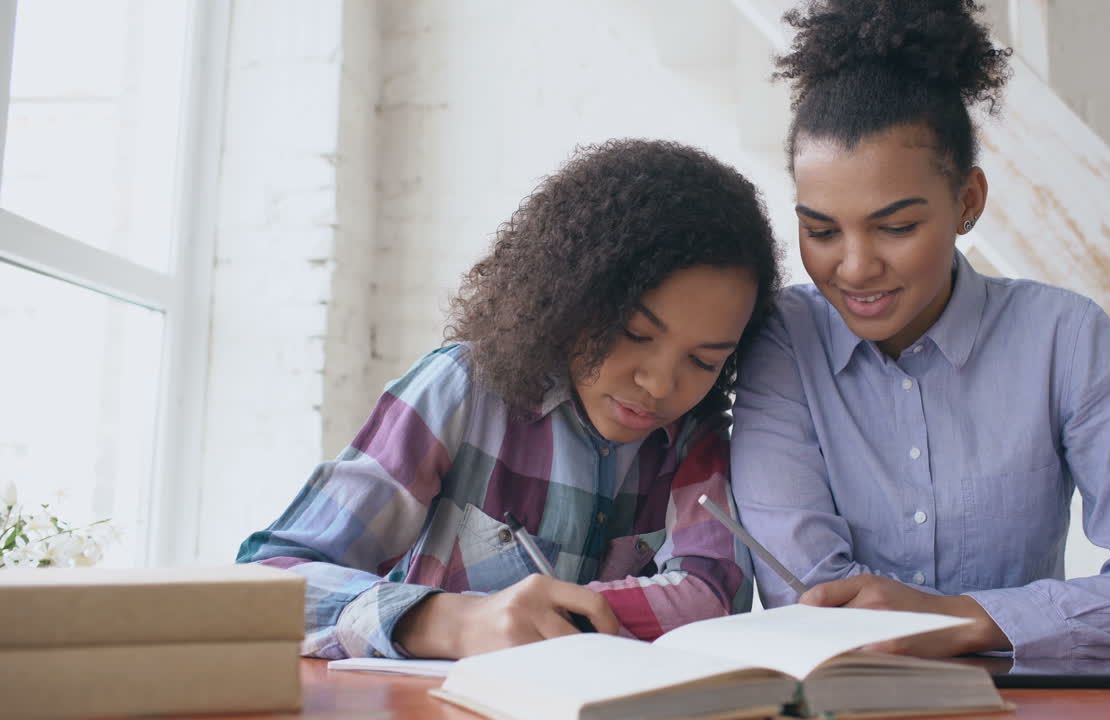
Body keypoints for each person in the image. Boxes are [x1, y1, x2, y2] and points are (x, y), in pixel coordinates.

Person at [730, 0, 1110, 659]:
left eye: (897, 227)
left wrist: (961, 618)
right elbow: (813, 600)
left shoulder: (1064, 338)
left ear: (967, 203)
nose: (853, 266)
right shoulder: (783, 340)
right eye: (820, 231)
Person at [238, 138, 781, 659]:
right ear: (572, 295)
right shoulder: (461, 389)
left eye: (704, 361)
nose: (662, 385)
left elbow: (712, 595)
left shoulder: (695, 435)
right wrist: (455, 621)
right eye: (635, 334)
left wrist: (554, 619)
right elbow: (268, 581)